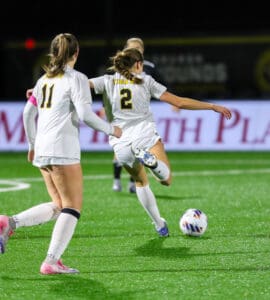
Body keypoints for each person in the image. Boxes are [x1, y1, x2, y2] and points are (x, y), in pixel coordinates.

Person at [0, 33, 121, 274]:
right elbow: (86, 116)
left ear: (53, 53)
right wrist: (112, 129)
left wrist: (32, 145)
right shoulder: (76, 79)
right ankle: (51, 261)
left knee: (59, 205)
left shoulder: (44, 79)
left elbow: (26, 114)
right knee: (72, 207)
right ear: (76, 54)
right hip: (62, 149)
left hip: (43, 149)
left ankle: (9, 222)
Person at [88, 47, 232, 237]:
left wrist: (41, 89)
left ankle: (159, 225)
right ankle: (154, 165)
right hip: (144, 134)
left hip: (120, 141)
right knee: (166, 179)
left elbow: (78, 84)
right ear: (139, 64)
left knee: (140, 182)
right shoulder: (145, 81)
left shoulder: (106, 81)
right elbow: (178, 102)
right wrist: (211, 106)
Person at [103, 37, 167, 194]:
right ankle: (117, 180)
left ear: (143, 50)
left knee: (138, 149)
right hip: (121, 115)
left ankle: (134, 181)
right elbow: (108, 89)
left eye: (138, 47)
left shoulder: (148, 67)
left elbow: (162, 84)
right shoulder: (118, 67)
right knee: (120, 150)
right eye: (133, 47)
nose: (136, 50)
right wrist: (105, 107)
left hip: (139, 115)